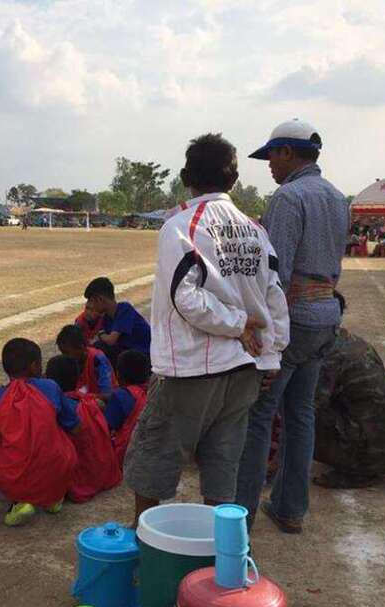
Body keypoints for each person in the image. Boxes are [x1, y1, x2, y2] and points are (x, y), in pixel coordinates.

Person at [124, 133, 290, 526]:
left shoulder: (180, 226)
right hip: (245, 368)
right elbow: (274, 295)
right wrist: (272, 356)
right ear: (233, 180)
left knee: (156, 454)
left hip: (191, 368)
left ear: (186, 177)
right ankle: (220, 548)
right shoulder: (256, 231)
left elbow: (185, 298)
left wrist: (237, 324)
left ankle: (146, 537)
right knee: (223, 461)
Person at [235, 119, 349, 534]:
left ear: (287, 152)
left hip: (293, 320)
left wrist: (263, 333)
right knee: (300, 414)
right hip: (324, 316)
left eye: (271, 156)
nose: (269, 165)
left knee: (258, 416)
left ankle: (241, 518)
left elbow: (275, 274)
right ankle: (290, 508)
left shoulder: (288, 197)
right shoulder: (337, 197)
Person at [312, 293, 385, 487]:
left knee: (295, 409)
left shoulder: (329, 353)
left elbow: (310, 405)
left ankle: (359, 468)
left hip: (373, 451)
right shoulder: (351, 340)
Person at [0, 338, 79, 527]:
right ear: (35, 366)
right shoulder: (50, 387)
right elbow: (74, 425)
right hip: (54, 466)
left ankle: (19, 502)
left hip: (12, 474)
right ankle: (53, 497)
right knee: (61, 443)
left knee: (3, 450)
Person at [46, 355, 120, 503]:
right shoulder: (92, 401)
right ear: (78, 378)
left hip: (79, 477)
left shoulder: (55, 408)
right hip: (103, 471)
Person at [84, 277, 151, 366]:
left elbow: (111, 340)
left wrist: (100, 334)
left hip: (144, 358)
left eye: (91, 301)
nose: (91, 305)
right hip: (127, 356)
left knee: (99, 349)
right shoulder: (105, 317)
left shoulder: (124, 309)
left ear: (100, 299)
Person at [103, 349, 151, 465]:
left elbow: (107, 426)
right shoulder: (155, 391)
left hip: (128, 455)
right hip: (153, 450)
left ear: (119, 374)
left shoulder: (121, 396)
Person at [56, 324, 116, 402]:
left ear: (81, 347)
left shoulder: (97, 359)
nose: (64, 356)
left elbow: (108, 395)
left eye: (66, 353)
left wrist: (85, 398)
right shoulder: (74, 362)